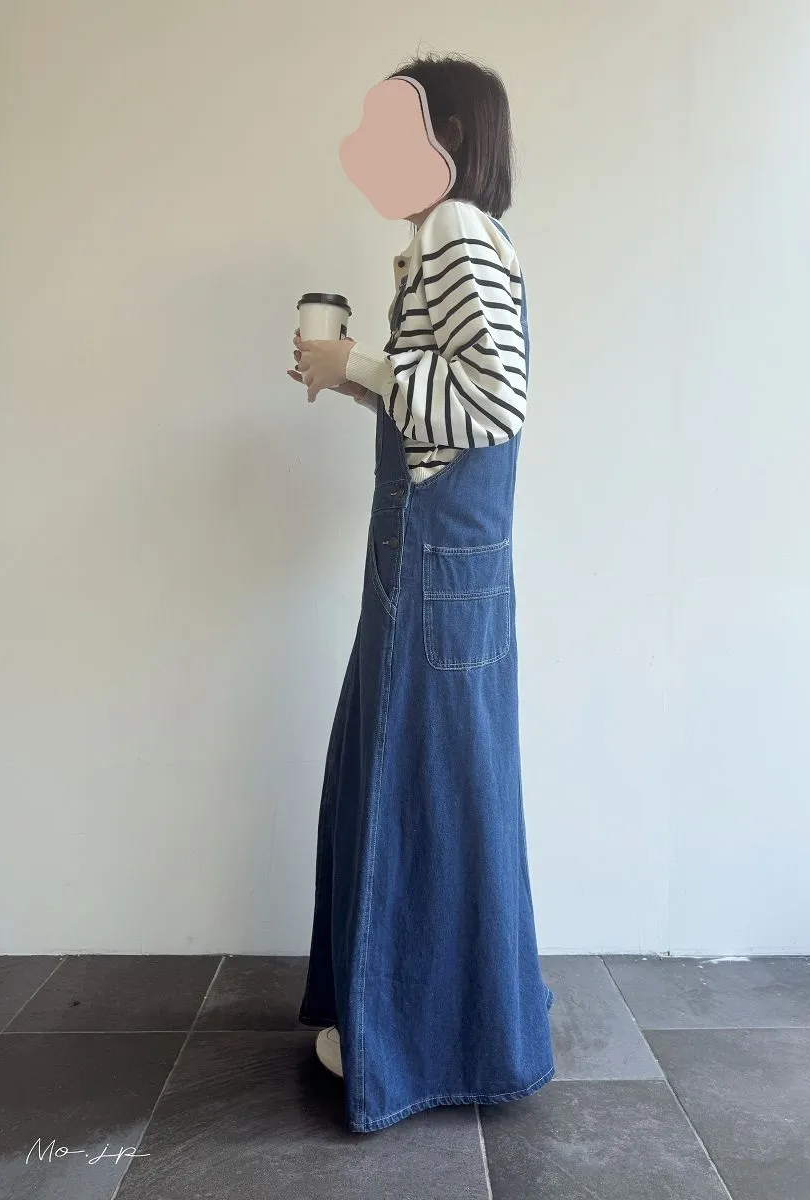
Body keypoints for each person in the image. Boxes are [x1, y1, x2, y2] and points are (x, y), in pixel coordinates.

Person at [287, 53, 555, 1135]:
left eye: (391, 132)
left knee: (417, 796)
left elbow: (497, 398)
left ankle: (410, 1048)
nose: (368, 151)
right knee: (446, 791)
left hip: (433, 570)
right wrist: (355, 377)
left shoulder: (453, 231)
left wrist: (360, 363)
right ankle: (463, 1033)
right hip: (450, 565)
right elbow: (444, 419)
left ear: (447, 139)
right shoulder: (461, 237)